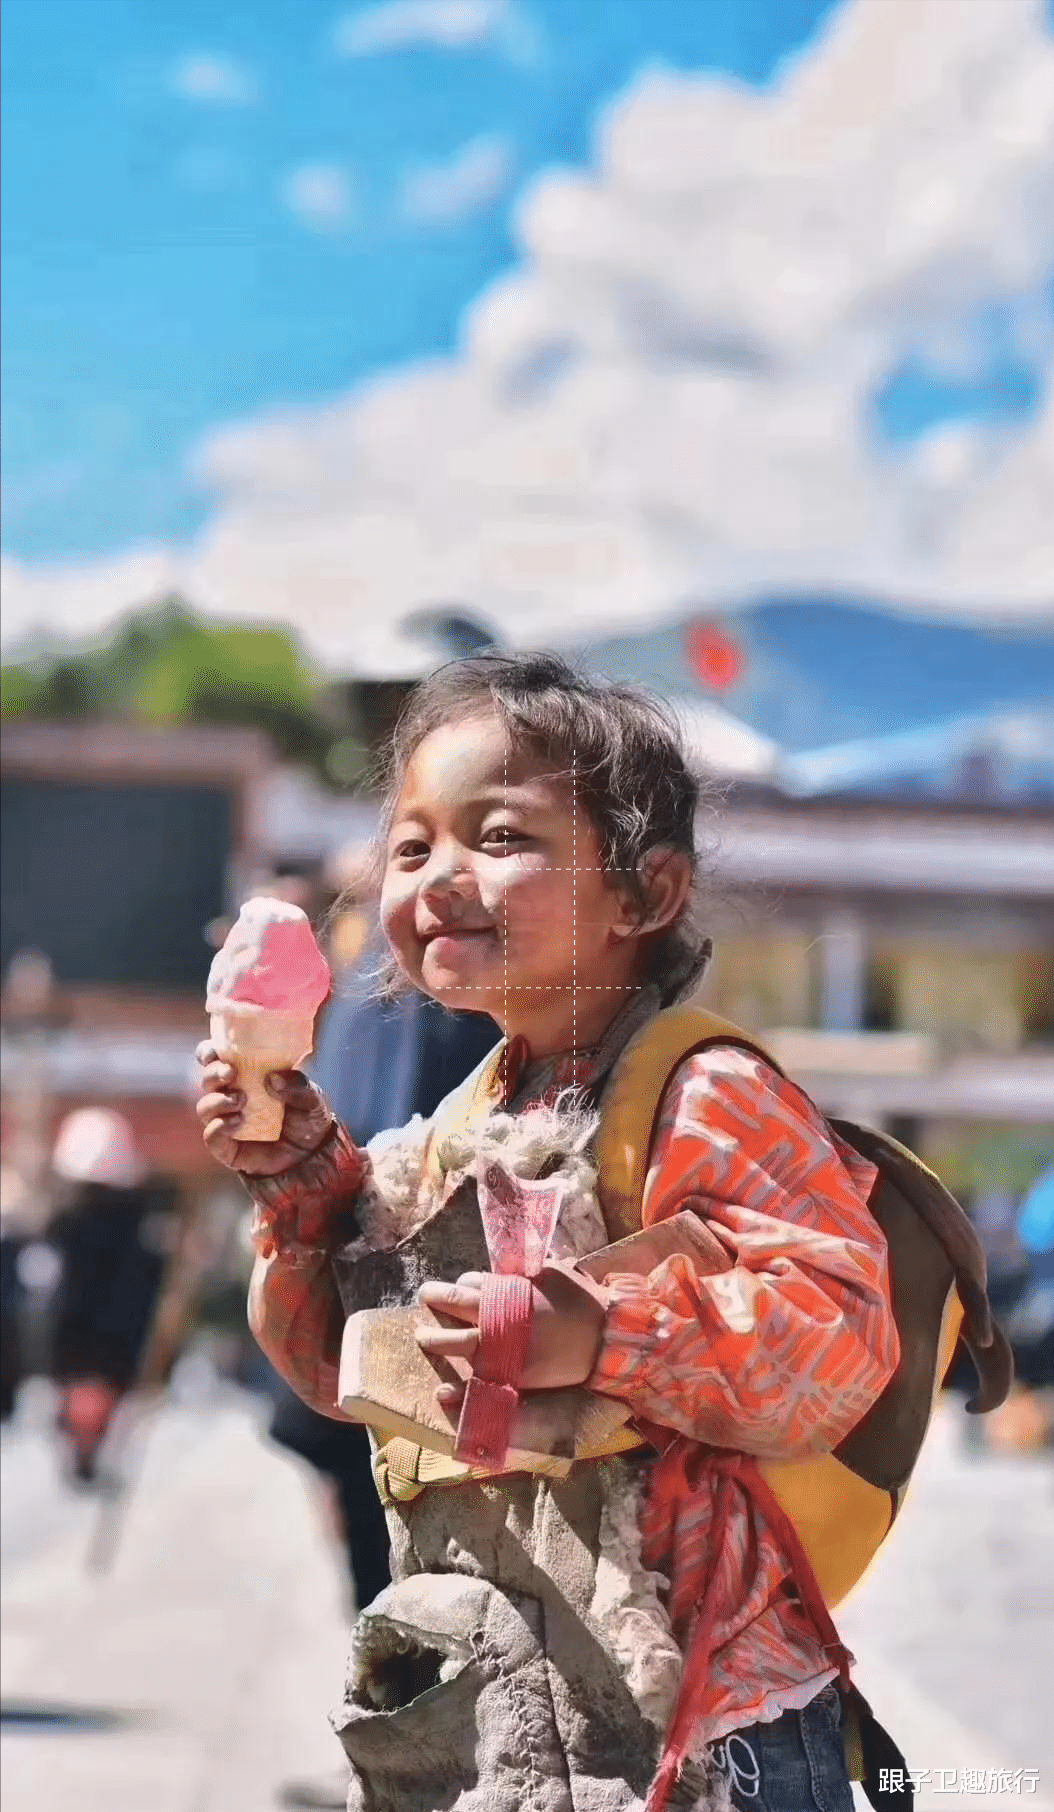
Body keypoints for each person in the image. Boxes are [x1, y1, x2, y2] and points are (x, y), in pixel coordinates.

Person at [196, 652, 909, 1811]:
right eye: (412, 844)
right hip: (502, 1700)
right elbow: (349, 1368)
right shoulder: (465, 1118)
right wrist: (302, 1182)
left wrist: (601, 1331)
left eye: (500, 836)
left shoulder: (699, 1091)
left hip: (705, 1722)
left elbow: (840, 1337)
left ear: (644, 893)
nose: (437, 876)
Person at [45, 1108, 177, 1481]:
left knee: (93, 1385)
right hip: (95, 1344)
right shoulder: (126, 1223)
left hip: (100, 1344)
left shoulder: (116, 1224)